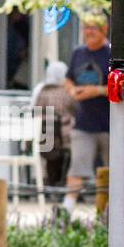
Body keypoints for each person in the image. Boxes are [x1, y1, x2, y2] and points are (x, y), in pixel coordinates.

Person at [64, 17, 111, 213]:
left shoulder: (112, 53)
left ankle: (110, 214)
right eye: (86, 28)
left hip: (111, 125)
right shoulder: (78, 53)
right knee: (77, 169)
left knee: (114, 172)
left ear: (104, 29)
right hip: (84, 124)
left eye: (93, 28)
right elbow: (68, 79)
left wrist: (98, 91)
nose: (89, 32)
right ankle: (66, 213)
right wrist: (73, 91)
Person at [32, 61, 76, 189]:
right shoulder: (68, 92)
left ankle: (51, 183)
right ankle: (67, 185)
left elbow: (36, 113)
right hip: (65, 138)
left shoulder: (42, 92)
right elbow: (76, 110)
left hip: (44, 137)